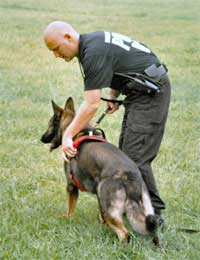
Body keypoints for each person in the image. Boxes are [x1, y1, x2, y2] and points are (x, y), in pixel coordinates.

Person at [44, 21, 171, 224]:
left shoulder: (91, 54)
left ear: (68, 37)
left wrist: (68, 135)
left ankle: (154, 216)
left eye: (56, 49)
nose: (56, 55)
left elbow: (91, 104)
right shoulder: (94, 42)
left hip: (150, 94)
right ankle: (128, 206)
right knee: (125, 156)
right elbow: (118, 62)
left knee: (135, 158)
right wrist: (113, 94)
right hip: (139, 91)